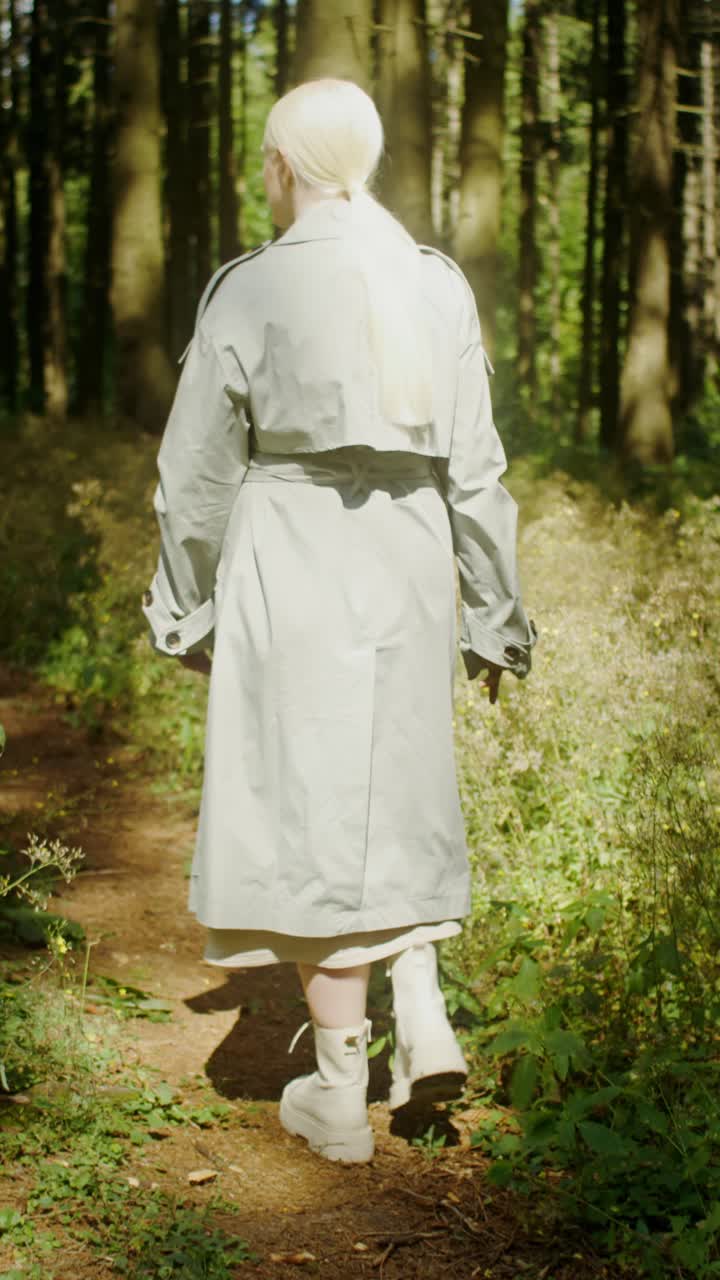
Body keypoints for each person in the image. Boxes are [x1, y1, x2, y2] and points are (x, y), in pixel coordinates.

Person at [142, 78, 536, 1165]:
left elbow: (192, 476)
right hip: (407, 558)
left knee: (310, 807)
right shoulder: (433, 285)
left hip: (291, 552)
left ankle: (334, 1085)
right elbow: (479, 472)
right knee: (394, 786)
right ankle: (421, 1011)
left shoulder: (250, 290)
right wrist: (495, 615)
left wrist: (184, 606)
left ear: (282, 165)